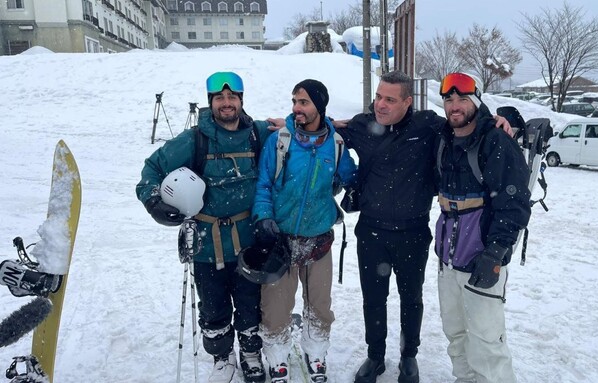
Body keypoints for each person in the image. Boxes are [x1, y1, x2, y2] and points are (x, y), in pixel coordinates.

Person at [334, 70, 511, 383]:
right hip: (371, 231)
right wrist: (289, 124)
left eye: (390, 99)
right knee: (373, 299)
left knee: (411, 298)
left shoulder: (428, 126)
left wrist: (498, 118)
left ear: (408, 102)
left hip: (413, 233)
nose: (381, 105)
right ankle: (375, 356)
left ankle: (408, 356)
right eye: (378, 97)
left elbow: (466, 121)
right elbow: (327, 130)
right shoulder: (363, 126)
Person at [136, 72, 276, 383]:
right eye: (219, 98)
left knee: (250, 302)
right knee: (213, 307)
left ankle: (251, 353)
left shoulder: (256, 134)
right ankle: (222, 357)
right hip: (206, 242)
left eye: (232, 97)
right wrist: (154, 201)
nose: (226, 103)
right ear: (210, 102)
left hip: (248, 240)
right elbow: (152, 169)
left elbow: (294, 128)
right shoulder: (195, 139)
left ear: (241, 100)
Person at [252, 79, 357, 383]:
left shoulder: (335, 145)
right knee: (276, 308)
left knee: (320, 307)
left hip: (319, 239)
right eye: (295, 101)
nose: (296, 108)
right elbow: (264, 184)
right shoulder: (280, 141)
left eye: (304, 102)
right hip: (282, 240)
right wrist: (263, 217)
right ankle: (277, 358)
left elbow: (350, 176)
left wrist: (355, 192)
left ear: (319, 107)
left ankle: (316, 353)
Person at [434, 72, 531, 383]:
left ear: (476, 101)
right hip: (448, 261)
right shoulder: (444, 138)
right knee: (456, 334)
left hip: (482, 258)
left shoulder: (495, 142)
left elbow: (514, 204)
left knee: (487, 341)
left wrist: (496, 253)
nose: (454, 106)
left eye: (462, 99)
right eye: (449, 100)